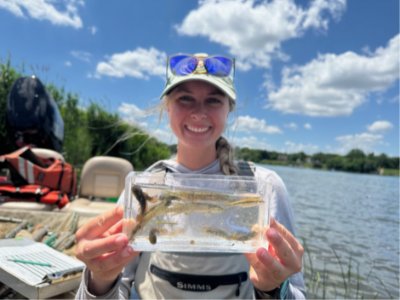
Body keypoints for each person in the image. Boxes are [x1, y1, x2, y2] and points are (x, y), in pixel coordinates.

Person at [74, 53, 306, 299]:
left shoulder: (264, 187)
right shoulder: (145, 187)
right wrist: (99, 279)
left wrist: (272, 288)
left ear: (229, 109)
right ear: (167, 106)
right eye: (185, 98)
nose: (198, 112)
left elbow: (297, 292)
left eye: (214, 100)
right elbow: (121, 285)